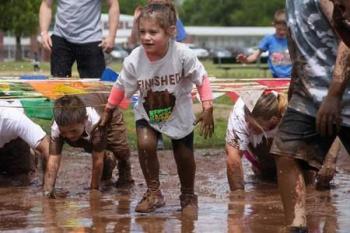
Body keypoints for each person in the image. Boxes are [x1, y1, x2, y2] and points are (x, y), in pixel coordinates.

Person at [99, 3, 214, 216]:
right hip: (147, 111)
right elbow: (121, 85)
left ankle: (188, 195)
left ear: (171, 32)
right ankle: (154, 193)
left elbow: (202, 78)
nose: (146, 37)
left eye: (153, 32)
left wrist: (208, 105)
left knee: (184, 155)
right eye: (142, 32)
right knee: (144, 143)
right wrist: (108, 110)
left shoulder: (182, 55)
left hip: (179, 111)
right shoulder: (134, 58)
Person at [270, 0, 350, 232]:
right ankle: (296, 226)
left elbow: (347, 37)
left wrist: (334, 94)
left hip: (341, 92)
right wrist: (295, 85)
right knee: (286, 153)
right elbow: (300, 41)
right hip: (310, 96)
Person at [225, 91, 340, 192]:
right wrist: (237, 198)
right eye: (247, 122)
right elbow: (233, 159)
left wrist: (330, 162)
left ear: (273, 120)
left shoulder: (295, 111)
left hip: (294, 141)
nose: (248, 127)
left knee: (306, 181)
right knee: (265, 180)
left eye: (253, 125)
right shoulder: (239, 114)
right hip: (262, 156)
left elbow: (329, 127)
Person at [43, 94, 133, 198]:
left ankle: (125, 172)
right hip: (86, 130)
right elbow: (53, 160)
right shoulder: (56, 128)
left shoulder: (96, 122)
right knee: (92, 146)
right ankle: (107, 167)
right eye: (64, 132)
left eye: (73, 130)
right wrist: (48, 190)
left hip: (109, 114)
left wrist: (94, 190)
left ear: (85, 120)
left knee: (119, 148)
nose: (69, 135)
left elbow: (97, 160)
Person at [39, 0, 120, 78]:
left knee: (94, 87)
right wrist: (44, 32)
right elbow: (46, 4)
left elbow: (113, 4)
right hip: (61, 38)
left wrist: (111, 37)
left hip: (91, 39)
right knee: (57, 85)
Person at [0, 104, 49, 183]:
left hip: (13, 141)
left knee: (20, 180)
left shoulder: (12, 118)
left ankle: (30, 152)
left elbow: (47, 148)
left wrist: (47, 187)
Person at [236, 9, 292, 78]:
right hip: (276, 78)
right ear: (274, 25)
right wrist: (246, 60)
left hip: (292, 77)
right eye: (279, 29)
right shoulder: (269, 39)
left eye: (284, 29)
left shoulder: (293, 39)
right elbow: (255, 55)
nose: (282, 32)